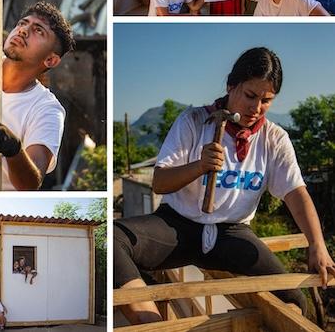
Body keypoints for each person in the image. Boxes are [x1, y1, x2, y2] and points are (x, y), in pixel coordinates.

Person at [114, 47, 335, 325]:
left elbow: (296, 192)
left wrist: (317, 244)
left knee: (292, 300)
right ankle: (155, 325)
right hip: (178, 226)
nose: (256, 108)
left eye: (266, 100)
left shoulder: (274, 138)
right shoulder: (193, 121)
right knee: (114, 239)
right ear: (231, 86)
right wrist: (199, 166)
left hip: (233, 232)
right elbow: (160, 182)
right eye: (250, 96)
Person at [0, 1, 75, 190]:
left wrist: (12, 148)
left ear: (51, 60)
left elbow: (31, 183)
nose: (23, 31)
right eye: (22, 23)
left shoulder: (47, 110)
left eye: (38, 30)